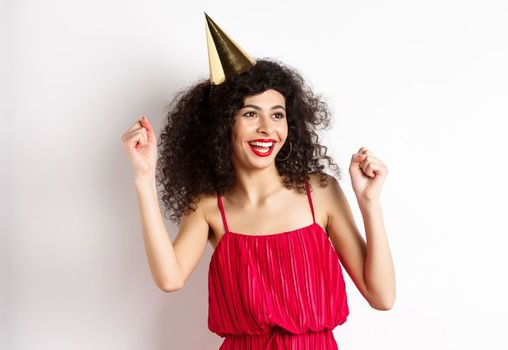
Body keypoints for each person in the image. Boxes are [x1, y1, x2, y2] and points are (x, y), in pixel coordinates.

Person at [119, 13, 395, 349]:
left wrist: (370, 203)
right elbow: (169, 278)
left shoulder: (320, 192)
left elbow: (382, 297)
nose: (267, 128)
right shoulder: (209, 207)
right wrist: (144, 178)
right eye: (251, 114)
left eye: (277, 114)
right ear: (224, 125)